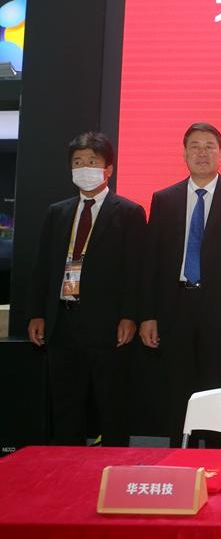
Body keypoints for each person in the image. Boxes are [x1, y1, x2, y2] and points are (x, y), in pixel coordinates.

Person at [139, 122, 221, 446]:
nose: (202, 153)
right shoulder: (164, 199)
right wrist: (148, 315)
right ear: (184, 154)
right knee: (177, 394)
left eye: (210, 146)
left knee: (219, 393)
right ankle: (180, 460)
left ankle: (220, 463)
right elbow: (151, 262)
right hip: (175, 308)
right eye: (195, 146)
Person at [27, 132, 146, 446]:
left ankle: (114, 468)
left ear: (108, 169)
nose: (84, 168)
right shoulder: (57, 212)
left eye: (92, 161)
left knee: (112, 407)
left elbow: (135, 271)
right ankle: (66, 469)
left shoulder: (129, 212)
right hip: (62, 321)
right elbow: (42, 267)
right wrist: (37, 313)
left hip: (107, 326)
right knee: (65, 409)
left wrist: (129, 316)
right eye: (78, 162)